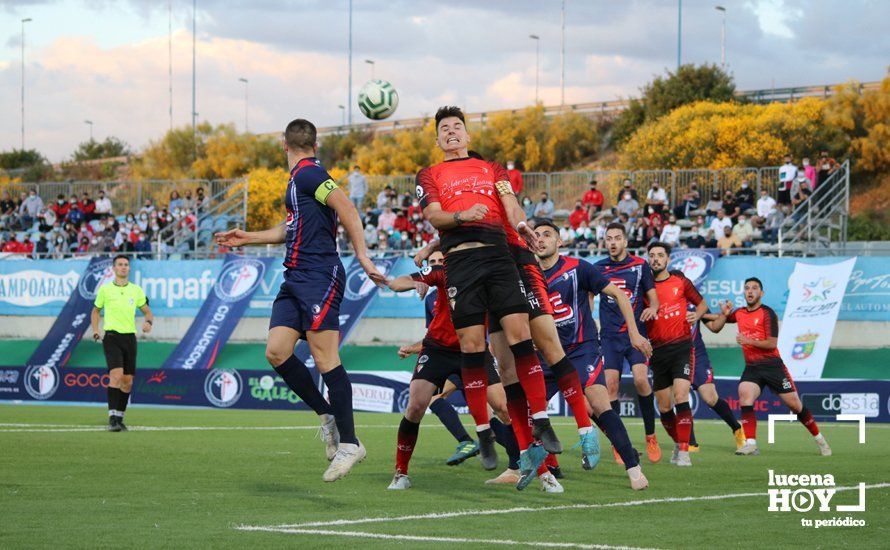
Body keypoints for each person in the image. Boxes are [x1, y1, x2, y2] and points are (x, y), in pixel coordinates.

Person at [214, 118, 385, 482]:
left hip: (319, 276)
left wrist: (364, 257)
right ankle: (328, 417)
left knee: (325, 358)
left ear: (283, 144)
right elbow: (289, 229)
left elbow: (348, 209)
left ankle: (351, 443)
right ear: (315, 143)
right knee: (276, 351)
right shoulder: (298, 182)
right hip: (294, 277)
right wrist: (248, 238)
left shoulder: (309, 174)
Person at [414, 106, 559, 488]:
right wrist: (463, 216)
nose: (451, 132)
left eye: (457, 127)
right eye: (444, 129)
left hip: (498, 255)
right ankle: (482, 430)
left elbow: (509, 202)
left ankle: (541, 418)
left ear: (467, 136)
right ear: (437, 139)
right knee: (473, 346)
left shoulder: (492, 169)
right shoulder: (429, 174)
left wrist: (521, 222)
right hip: (461, 263)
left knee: (520, 336)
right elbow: (434, 215)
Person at [385, 251, 531, 490]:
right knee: (415, 406)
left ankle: (516, 468)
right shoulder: (443, 273)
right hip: (438, 350)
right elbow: (400, 282)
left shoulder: (490, 279)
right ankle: (401, 473)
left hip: (474, 351)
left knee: (503, 408)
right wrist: (414, 284)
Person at [535, 221, 651, 490]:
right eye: (536, 235)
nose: (540, 239)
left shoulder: (579, 268)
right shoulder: (527, 276)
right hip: (547, 355)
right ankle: (548, 463)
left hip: (581, 349)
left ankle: (632, 466)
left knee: (599, 404)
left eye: (547, 235)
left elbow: (620, 296)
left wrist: (634, 333)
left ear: (559, 241)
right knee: (528, 411)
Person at [709, 278, 832, 457]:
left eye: (754, 288)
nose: (750, 291)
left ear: (762, 293)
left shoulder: (768, 314)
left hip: (772, 366)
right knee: (744, 394)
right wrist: (719, 314)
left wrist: (748, 341)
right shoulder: (740, 313)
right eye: (747, 288)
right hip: (752, 367)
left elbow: (772, 343)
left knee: (796, 405)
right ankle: (751, 443)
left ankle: (820, 439)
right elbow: (718, 321)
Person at [594, 224, 661, 464]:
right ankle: (618, 443)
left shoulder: (640, 265)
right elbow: (588, 298)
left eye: (617, 238)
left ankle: (650, 436)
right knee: (610, 387)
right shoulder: (598, 268)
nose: (612, 242)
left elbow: (653, 299)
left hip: (635, 335)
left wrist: (653, 308)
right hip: (610, 338)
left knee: (641, 379)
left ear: (625, 241)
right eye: (608, 238)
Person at [645, 242, 708, 467]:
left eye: (660, 255)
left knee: (681, 396)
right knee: (663, 407)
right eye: (652, 256)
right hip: (657, 352)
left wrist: (696, 316)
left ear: (668, 259)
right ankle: (678, 442)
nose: (655, 259)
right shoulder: (645, 287)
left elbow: (701, 304)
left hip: (682, 347)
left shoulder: (680, 282)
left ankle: (684, 451)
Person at [90, 255, 154, 432]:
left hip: (129, 338)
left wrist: (148, 322)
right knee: (116, 375)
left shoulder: (136, 290)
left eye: (126, 265)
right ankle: (111, 418)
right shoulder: (105, 290)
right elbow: (95, 311)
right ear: (114, 268)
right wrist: (96, 330)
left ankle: (120, 417)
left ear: (129, 269)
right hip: (111, 337)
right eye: (120, 264)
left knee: (127, 381)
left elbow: (148, 312)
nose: (124, 267)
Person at [686, 307, 746, 453]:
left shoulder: (695, 302)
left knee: (711, 398)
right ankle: (691, 443)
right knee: (680, 396)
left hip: (697, 357)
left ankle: (737, 429)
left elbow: (715, 327)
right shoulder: (662, 298)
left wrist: (724, 316)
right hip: (674, 357)